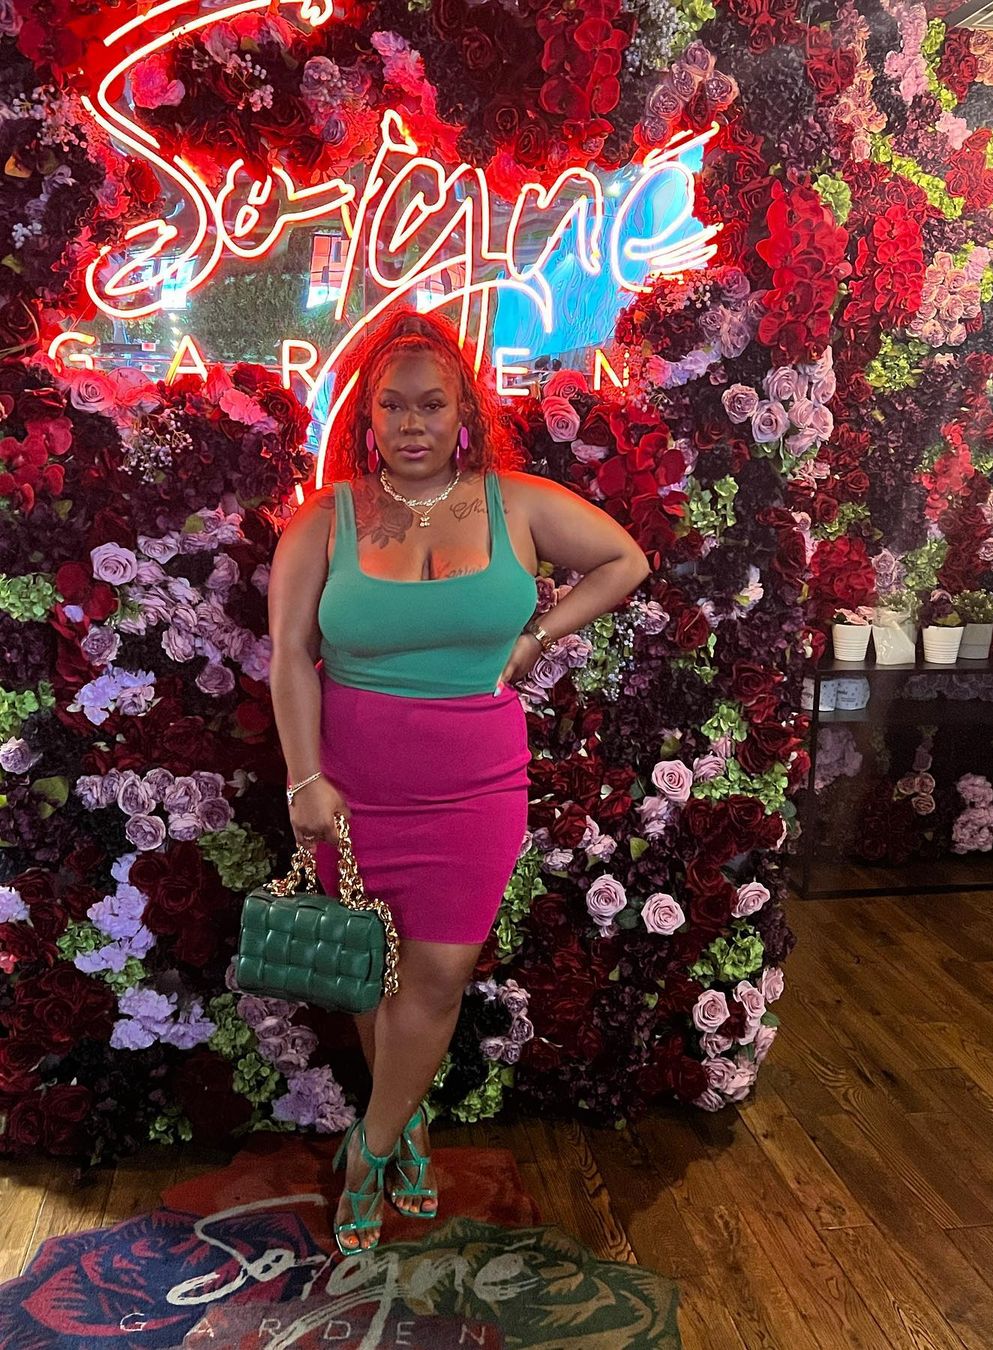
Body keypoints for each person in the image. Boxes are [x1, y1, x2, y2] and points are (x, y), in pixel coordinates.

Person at [267, 307, 650, 1255]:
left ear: (464, 413)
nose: (412, 423)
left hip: (476, 786)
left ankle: (369, 1147)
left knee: (438, 973)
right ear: (366, 417)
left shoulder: (517, 503)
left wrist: (537, 637)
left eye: (431, 404)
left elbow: (625, 560)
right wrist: (304, 779)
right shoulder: (326, 519)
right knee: (375, 972)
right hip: (353, 788)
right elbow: (287, 658)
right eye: (392, 405)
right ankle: (407, 1126)